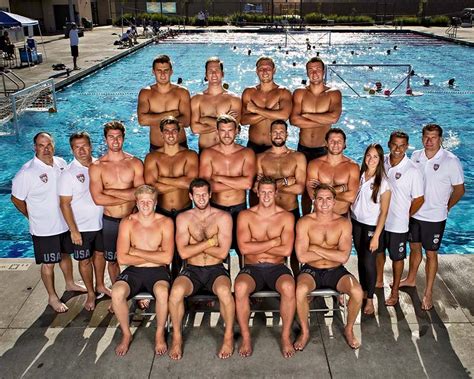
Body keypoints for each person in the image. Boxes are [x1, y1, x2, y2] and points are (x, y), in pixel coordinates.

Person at [11, 132, 85, 313]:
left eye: (49, 144)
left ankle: (69, 283)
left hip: (64, 223)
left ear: (53, 145)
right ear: (34, 147)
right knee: (49, 264)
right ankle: (52, 297)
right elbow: (16, 199)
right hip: (44, 229)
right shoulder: (27, 172)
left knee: (65, 256)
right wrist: (32, 216)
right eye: (41, 145)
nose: (46, 149)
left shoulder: (60, 163)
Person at [400, 124, 465, 310]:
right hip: (415, 213)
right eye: (426, 137)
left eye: (434, 137)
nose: (429, 141)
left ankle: (428, 292)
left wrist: (447, 207)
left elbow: (460, 190)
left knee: (431, 254)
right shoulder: (416, 156)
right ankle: (411, 279)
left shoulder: (450, 160)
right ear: (421, 138)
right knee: (414, 249)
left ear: (440, 139)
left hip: (435, 217)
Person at [168, 178, 234, 360]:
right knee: (175, 293)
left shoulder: (223, 217)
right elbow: (182, 253)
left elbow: (221, 254)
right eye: (197, 195)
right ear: (191, 196)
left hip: (216, 269)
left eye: (205, 194)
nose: (202, 198)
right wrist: (211, 241)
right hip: (192, 270)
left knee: (225, 292)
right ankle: (176, 338)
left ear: (210, 194)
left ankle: (228, 337)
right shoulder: (183, 218)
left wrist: (195, 245)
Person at [295, 184, 363, 350]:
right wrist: (331, 252)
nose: (324, 203)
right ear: (314, 201)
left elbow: (343, 257)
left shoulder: (343, 223)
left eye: (328, 199)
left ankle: (348, 329)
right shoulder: (304, 222)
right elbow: (302, 256)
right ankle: (304, 332)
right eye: (320, 199)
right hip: (311, 270)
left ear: (334, 202)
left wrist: (315, 248)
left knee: (357, 292)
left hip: (336, 271)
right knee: (300, 290)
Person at [235, 177, 295, 358]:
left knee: (289, 287)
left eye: (270, 192)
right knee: (239, 287)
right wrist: (273, 241)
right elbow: (244, 249)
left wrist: (257, 244)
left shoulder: (286, 217)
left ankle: (285, 337)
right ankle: (246, 337)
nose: (267, 195)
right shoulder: (245, 216)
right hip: (252, 268)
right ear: (257, 192)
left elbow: (286, 250)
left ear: (276, 193)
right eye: (263, 192)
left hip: (277, 267)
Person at [112, 185, 174, 356]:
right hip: (134, 272)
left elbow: (167, 258)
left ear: (155, 202)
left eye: (149, 201)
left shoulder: (165, 222)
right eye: (142, 201)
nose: (146, 205)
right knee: (116, 292)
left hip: (158, 272)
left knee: (162, 292)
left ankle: (159, 333)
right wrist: (155, 254)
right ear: (136, 203)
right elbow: (122, 259)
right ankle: (126, 334)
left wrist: (136, 251)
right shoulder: (127, 223)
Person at [59, 132, 110, 311]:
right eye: (76, 147)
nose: (81, 150)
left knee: (100, 255)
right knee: (85, 261)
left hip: (102, 222)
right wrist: (73, 230)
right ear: (72, 149)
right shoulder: (68, 173)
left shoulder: (101, 165)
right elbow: (64, 204)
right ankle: (90, 292)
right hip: (82, 227)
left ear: (91, 146)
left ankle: (101, 285)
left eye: (84, 146)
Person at [89, 121, 145, 286]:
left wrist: (110, 191)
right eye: (111, 137)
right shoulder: (97, 167)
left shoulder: (135, 163)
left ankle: (139, 291)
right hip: (110, 221)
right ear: (105, 139)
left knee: (138, 257)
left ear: (124, 138)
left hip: (132, 219)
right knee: (112, 261)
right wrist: (130, 194)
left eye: (118, 137)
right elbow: (98, 199)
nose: (115, 141)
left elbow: (141, 195)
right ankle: (117, 292)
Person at [144, 116, 198, 277]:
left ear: (179, 133)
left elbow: (192, 184)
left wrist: (162, 179)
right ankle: (163, 283)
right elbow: (152, 189)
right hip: (162, 211)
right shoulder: (152, 157)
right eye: (166, 131)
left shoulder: (190, 155)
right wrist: (180, 181)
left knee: (184, 252)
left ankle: (185, 285)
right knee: (162, 250)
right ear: (161, 134)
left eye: (174, 131)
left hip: (185, 210)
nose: (170, 134)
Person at [376, 131, 424, 306]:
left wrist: (406, 214)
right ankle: (379, 281)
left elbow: (419, 199)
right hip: (379, 220)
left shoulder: (412, 170)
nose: (398, 149)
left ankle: (395, 291)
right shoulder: (382, 162)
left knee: (397, 258)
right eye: (395, 144)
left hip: (398, 224)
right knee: (379, 253)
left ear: (407, 146)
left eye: (402, 145)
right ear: (389, 144)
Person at [199, 114, 255, 264]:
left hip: (240, 209)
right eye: (223, 130)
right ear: (217, 132)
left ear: (237, 131)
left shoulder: (246, 153)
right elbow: (205, 187)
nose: (226, 134)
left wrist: (219, 178)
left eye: (230, 130)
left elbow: (248, 184)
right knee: (216, 251)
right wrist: (237, 182)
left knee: (244, 251)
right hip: (216, 208)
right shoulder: (208, 154)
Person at [255, 119, 306, 274]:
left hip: (291, 210)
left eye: (281, 132)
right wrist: (285, 181)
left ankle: (298, 281)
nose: (278, 135)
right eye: (275, 132)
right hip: (270, 214)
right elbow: (257, 189)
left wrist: (269, 188)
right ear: (270, 134)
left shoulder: (298, 157)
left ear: (287, 134)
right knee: (273, 249)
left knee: (296, 252)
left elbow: (300, 188)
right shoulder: (261, 158)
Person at [351, 144, 391, 315]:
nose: (371, 159)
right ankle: (363, 292)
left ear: (381, 159)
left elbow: (384, 212)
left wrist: (376, 236)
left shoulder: (383, 183)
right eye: (369, 155)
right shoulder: (359, 176)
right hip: (356, 224)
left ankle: (370, 300)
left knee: (369, 263)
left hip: (371, 227)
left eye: (375, 157)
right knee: (361, 260)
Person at [290, 57, 342, 162]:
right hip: (303, 147)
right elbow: (294, 120)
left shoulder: (333, 93)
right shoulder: (300, 93)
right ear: (307, 73)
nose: (314, 73)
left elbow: (334, 118)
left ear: (323, 71)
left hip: (324, 148)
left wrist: (307, 115)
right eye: (311, 70)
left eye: (318, 69)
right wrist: (324, 121)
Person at [137, 55, 191, 150]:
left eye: (166, 70)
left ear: (171, 72)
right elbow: (142, 120)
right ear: (153, 72)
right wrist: (172, 114)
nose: (163, 74)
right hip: (156, 148)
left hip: (180, 146)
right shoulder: (146, 93)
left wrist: (153, 118)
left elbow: (186, 121)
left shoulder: (182, 92)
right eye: (159, 71)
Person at [241, 56, 292, 154]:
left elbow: (284, 116)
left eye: (268, 68)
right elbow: (243, 120)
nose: (264, 72)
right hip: (253, 146)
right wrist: (272, 111)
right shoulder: (249, 92)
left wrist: (256, 109)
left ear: (274, 70)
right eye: (261, 69)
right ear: (256, 71)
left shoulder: (283, 92)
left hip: (275, 146)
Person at [190, 57, 241, 151]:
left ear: (222, 74)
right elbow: (195, 129)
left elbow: (234, 128)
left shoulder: (234, 99)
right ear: (206, 75)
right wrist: (223, 124)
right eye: (210, 71)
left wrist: (205, 119)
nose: (213, 74)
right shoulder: (197, 99)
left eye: (217, 70)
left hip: (226, 152)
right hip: (205, 151)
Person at [305, 128, 359, 215]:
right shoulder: (314, 164)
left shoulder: (353, 167)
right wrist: (340, 189)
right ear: (326, 143)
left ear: (345, 144)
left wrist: (322, 192)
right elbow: (313, 196)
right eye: (332, 141)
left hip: (341, 215)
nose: (336, 144)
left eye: (339, 141)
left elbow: (351, 197)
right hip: (319, 216)